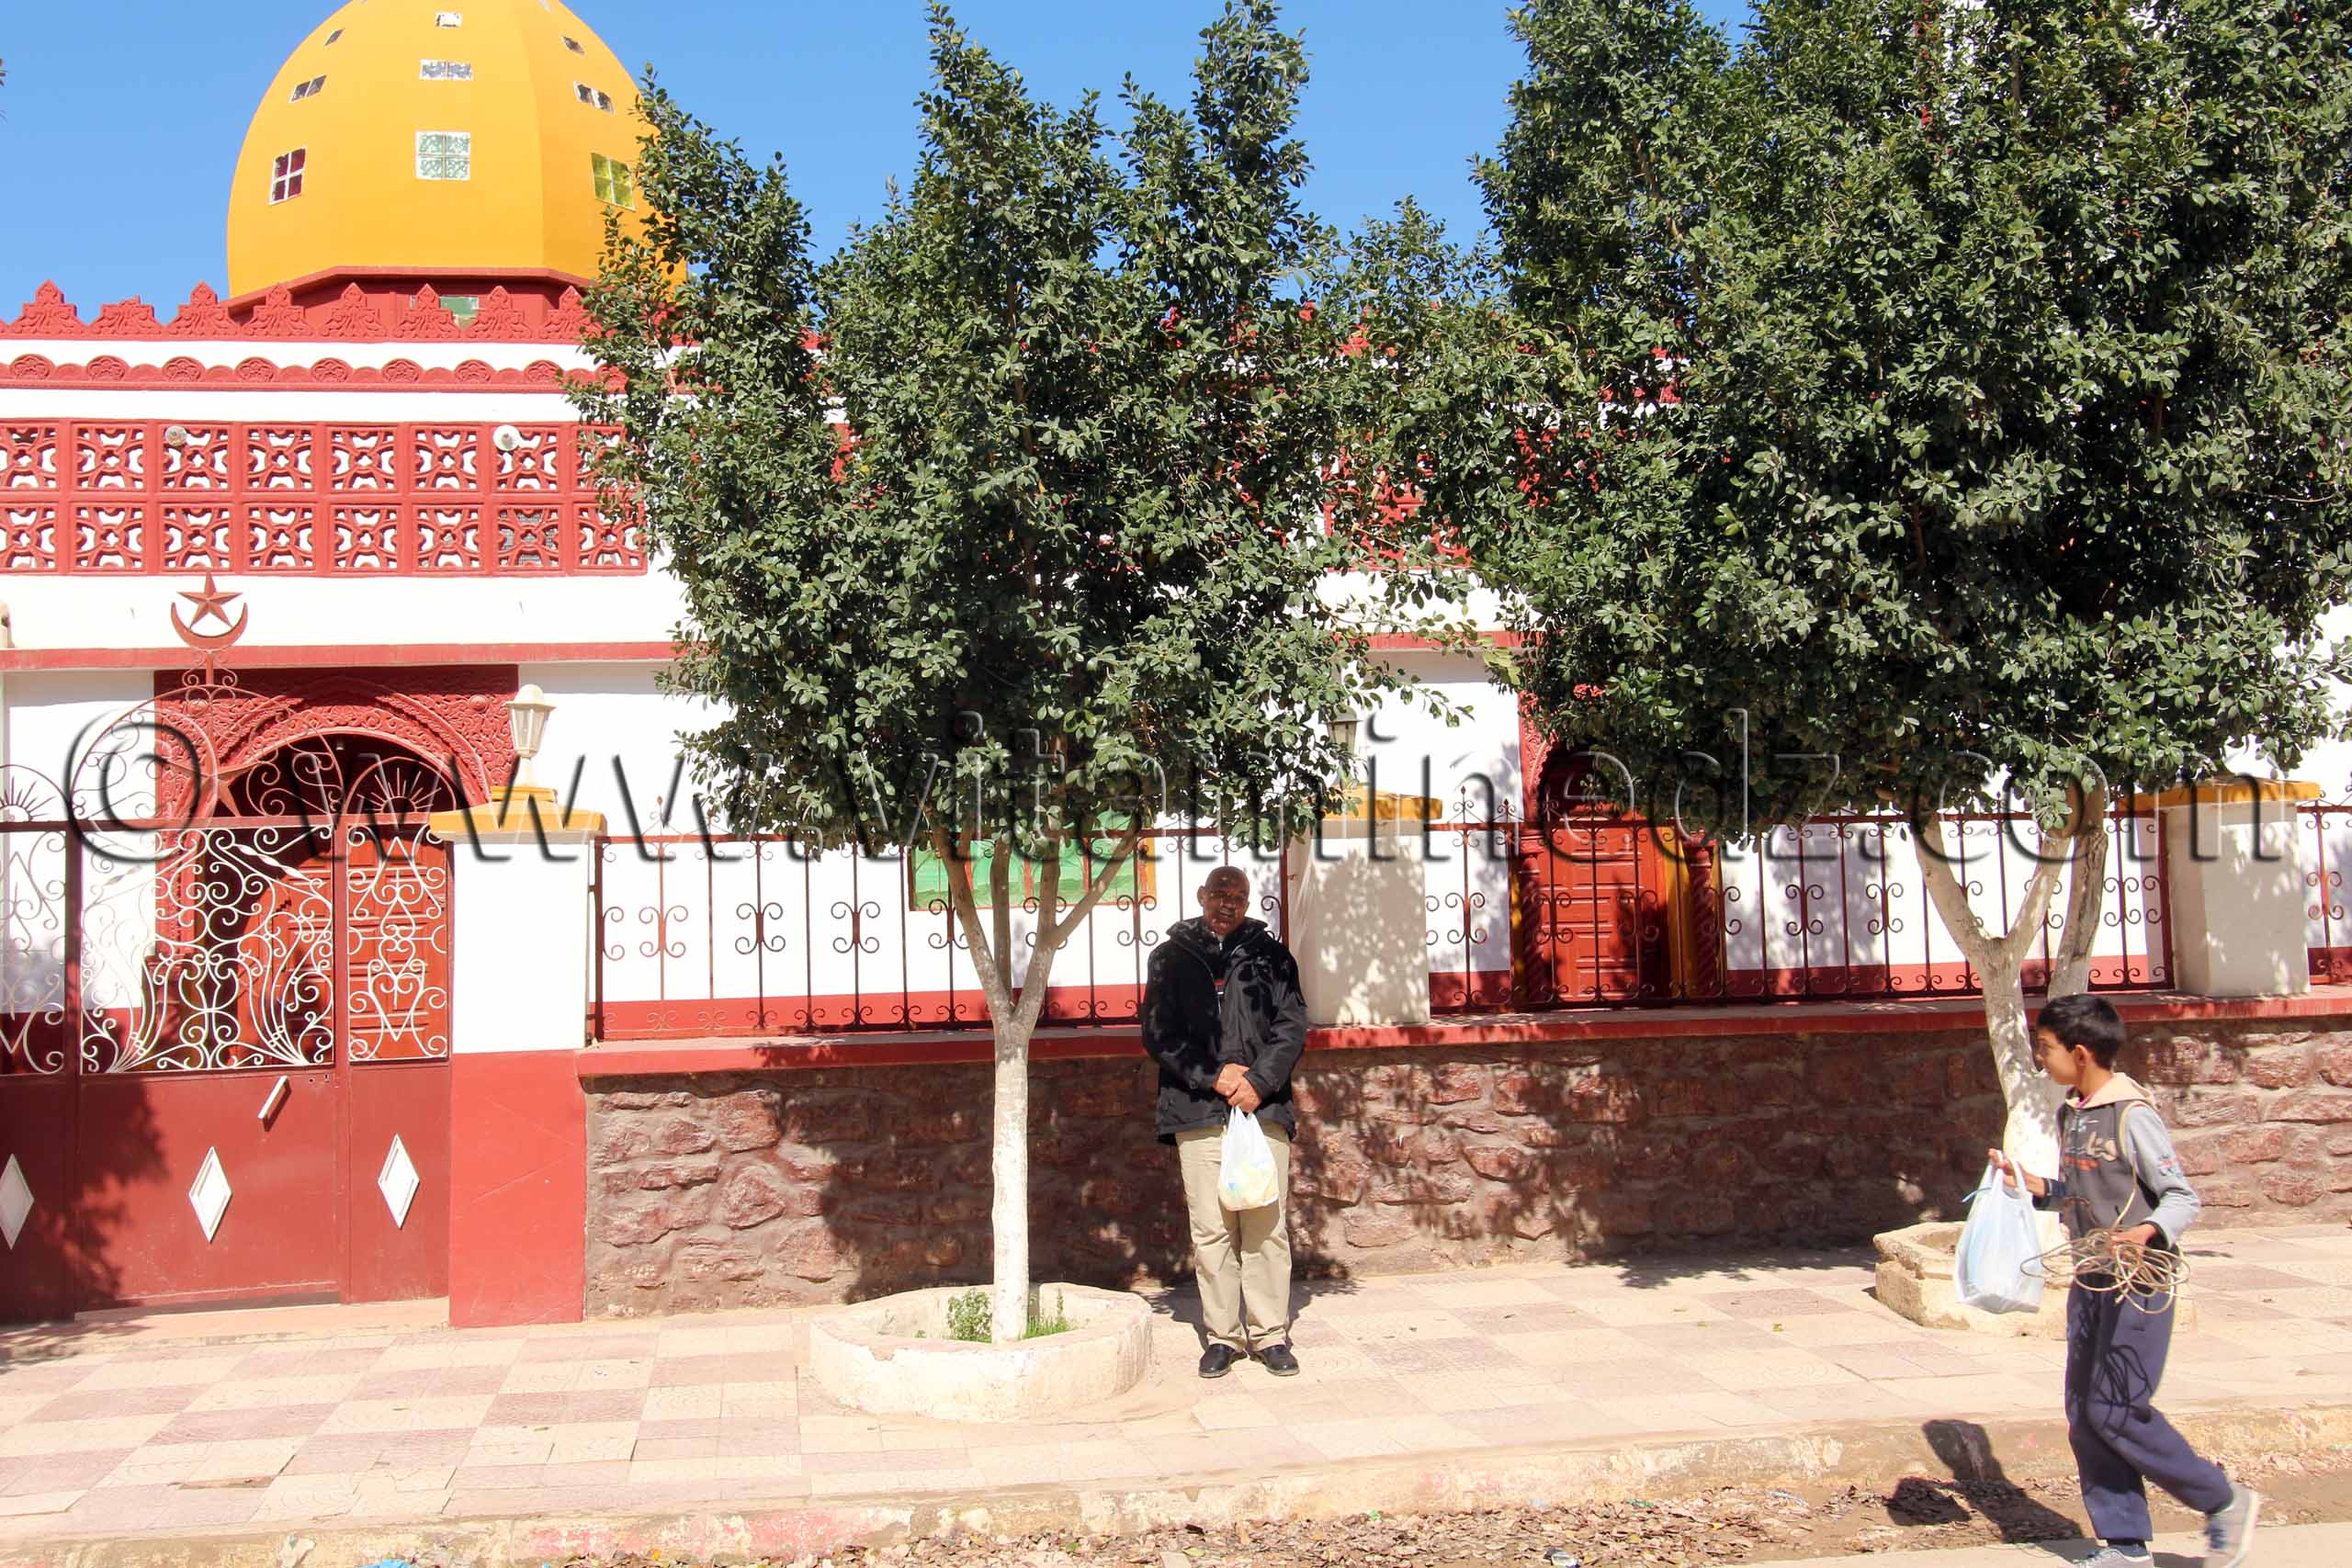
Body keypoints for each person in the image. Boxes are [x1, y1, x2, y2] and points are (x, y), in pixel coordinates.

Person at [1988, 993, 2258, 1568]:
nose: (2042, 1061)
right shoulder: (2073, 1113)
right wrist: (2030, 1185)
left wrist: (2149, 1232)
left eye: (2047, 1049)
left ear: (2080, 1053)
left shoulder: (2133, 1115)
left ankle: (2223, 1500)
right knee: (2085, 1412)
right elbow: (2075, 1191)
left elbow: (2182, 1197)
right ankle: (2126, 1545)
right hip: (2092, 1277)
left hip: (2141, 1281)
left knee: (2117, 1409)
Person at [1140, 864, 1309, 1379]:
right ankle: (1222, 1337)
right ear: (1201, 896)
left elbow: (1291, 1025)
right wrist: (1213, 1076)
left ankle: (1270, 1334)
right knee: (1212, 1230)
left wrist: (1257, 1082)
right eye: (1219, 893)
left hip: (1262, 1109)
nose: (1227, 903)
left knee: (1265, 1225)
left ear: (1247, 899)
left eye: (1237, 895)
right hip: (1197, 1109)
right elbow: (1159, 1034)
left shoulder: (1272, 956)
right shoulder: (1169, 958)